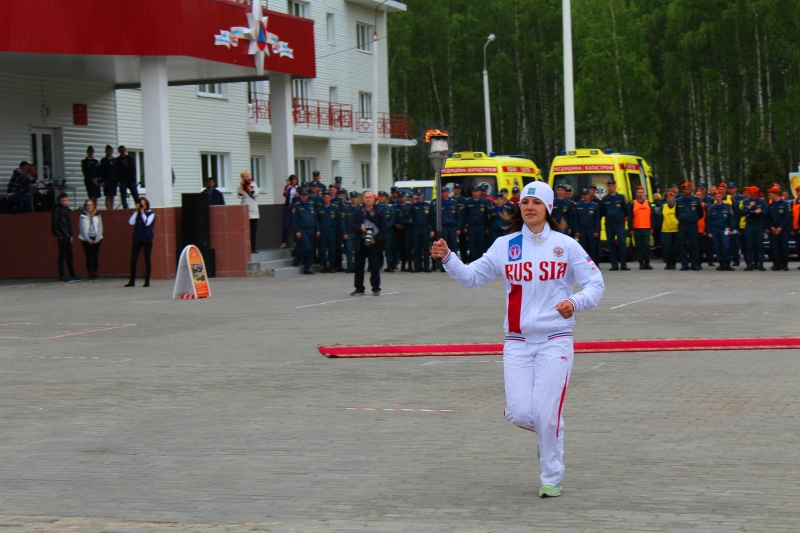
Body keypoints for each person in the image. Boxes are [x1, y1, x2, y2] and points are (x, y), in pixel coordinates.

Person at [430, 182, 604, 498]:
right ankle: (549, 431)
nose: (529, 207)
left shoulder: (566, 246)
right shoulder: (505, 245)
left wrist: (575, 302)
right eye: (525, 202)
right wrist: (448, 258)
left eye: (536, 202)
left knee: (547, 415)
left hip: (555, 338)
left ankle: (551, 477)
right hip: (517, 341)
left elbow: (595, 284)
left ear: (548, 208)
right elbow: (472, 277)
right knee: (521, 413)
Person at [351, 190, 387, 295]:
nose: (368, 199)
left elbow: (384, 229)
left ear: (373, 199)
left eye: (370, 197)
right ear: (363, 199)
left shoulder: (379, 212)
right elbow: (352, 225)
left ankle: (376, 288)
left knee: (375, 266)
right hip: (361, 242)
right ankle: (359, 288)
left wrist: (375, 239)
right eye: (366, 197)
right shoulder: (359, 212)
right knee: (358, 266)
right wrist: (360, 228)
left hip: (374, 243)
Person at [125, 197, 155, 287]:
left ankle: (147, 281)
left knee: (147, 260)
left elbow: (146, 223)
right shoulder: (137, 213)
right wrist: (136, 211)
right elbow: (131, 222)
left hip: (147, 238)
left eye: (144, 204)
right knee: (133, 260)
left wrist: (142, 212)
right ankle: (132, 281)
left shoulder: (151, 213)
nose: (143, 206)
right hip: (137, 238)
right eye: (141, 204)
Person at [600, 179, 630, 271]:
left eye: (612, 185)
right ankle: (614, 265)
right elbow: (603, 212)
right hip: (609, 224)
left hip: (619, 224)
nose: (610, 187)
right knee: (611, 245)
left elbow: (627, 210)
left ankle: (623, 265)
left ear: (615, 186)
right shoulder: (605, 199)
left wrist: (620, 217)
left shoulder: (621, 198)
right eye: (609, 186)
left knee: (622, 243)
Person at [430, 186, 462, 271]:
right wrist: (433, 229)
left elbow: (458, 217)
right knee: (443, 247)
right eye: (442, 192)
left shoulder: (453, 203)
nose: (443, 193)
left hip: (452, 227)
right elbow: (433, 218)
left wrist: (458, 228)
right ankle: (444, 266)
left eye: (444, 192)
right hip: (443, 227)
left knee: (453, 246)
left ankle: (455, 266)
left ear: (448, 192)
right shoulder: (437, 203)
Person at [675, 182, 703, 271]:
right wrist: (682, 219)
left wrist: (694, 219)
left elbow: (700, 213)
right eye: (685, 189)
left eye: (688, 189)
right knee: (682, 245)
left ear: (691, 190)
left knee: (694, 245)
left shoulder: (696, 200)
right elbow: (676, 214)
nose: (686, 191)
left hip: (692, 225)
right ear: (682, 191)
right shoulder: (679, 201)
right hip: (682, 225)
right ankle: (684, 265)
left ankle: (694, 264)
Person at [290, 188, 319, 274]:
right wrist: (297, 231)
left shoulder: (311, 206)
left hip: (311, 229)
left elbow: (315, 219)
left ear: (307, 196)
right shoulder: (296, 206)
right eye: (302, 195)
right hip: (302, 229)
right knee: (306, 247)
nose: (304, 197)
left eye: (305, 195)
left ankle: (307, 268)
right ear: (300, 196)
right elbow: (294, 221)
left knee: (311, 250)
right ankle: (297, 259)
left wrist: (318, 229)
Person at [52, 192, 79, 281]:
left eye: (65, 200)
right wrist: (58, 235)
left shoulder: (66, 209)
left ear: (68, 200)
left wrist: (71, 234)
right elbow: (54, 223)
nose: (64, 202)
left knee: (69, 255)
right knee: (62, 255)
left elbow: (68, 223)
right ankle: (62, 274)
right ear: (59, 200)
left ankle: (72, 274)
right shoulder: (57, 209)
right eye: (62, 200)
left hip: (67, 235)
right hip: (62, 235)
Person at [740, 186, 767, 271]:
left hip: (759, 224)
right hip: (750, 224)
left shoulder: (762, 202)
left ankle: (760, 263)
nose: (753, 196)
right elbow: (742, 213)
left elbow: (767, 212)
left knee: (759, 244)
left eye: (755, 194)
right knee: (749, 245)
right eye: (752, 194)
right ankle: (749, 263)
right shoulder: (746, 202)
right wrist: (749, 207)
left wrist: (761, 211)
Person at [628, 186, 654, 270]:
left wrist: (652, 227)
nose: (640, 194)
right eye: (639, 192)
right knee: (638, 246)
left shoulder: (648, 203)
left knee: (647, 246)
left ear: (644, 193)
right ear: (636, 193)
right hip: (637, 228)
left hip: (646, 228)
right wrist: (631, 229)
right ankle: (641, 264)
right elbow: (630, 217)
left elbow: (652, 216)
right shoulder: (633, 203)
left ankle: (647, 263)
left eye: (642, 192)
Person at [464, 185, 491, 262]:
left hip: (481, 226)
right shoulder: (468, 202)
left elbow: (487, 215)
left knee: (481, 244)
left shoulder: (484, 202)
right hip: (471, 227)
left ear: (479, 192)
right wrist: (465, 226)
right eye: (474, 191)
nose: (475, 193)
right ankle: (473, 260)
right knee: (472, 244)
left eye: (476, 191)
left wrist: (487, 227)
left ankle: (480, 260)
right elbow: (464, 215)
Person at [78, 198, 103, 280]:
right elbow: (82, 229)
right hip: (86, 239)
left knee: (95, 256)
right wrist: (88, 239)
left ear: (93, 206)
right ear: (85, 206)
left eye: (91, 205)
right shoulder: (82, 215)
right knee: (88, 257)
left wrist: (97, 239)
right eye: (87, 205)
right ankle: (90, 274)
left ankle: (95, 273)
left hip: (96, 238)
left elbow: (100, 227)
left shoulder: (97, 215)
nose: (89, 206)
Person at [574, 189, 600, 265]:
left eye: (586, 195)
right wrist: (576, 231)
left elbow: (597, 220)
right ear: (581, 196)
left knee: (592, 249)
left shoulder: (594, 205)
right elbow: (575, 220)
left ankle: (593, 265)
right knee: (583, 249)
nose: (585, 196)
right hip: (582, 231)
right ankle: (584, 265)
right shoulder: (578, 206)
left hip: (591, 230)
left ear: (589, 195)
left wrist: (596, 231)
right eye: (583, 195)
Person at [767, 187, 790, 271]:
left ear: (776, 194)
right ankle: (776, 263)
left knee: (784, 246)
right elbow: (768, 218)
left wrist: (781, 227)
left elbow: (787, 217)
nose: (769, 196)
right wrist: (771, 227)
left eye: (771, 195)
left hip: (783, 229)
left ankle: (784, 264)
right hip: (774, 229)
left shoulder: (785, 204)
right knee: (775, 247)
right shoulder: (770, 205)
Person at [408, 190, 432, 272]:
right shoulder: (413, 206)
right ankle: (417, 266)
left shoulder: (427, 206)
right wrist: (413, 202)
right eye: (417, 195)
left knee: (426, 248)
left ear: (423, 195)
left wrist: (432, 230)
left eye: (420, 195)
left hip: (425, 228)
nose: (419, 196)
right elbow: (409, 216)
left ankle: (426, 267)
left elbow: (431, 219)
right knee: (416, 248)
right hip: (416, 229)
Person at [317, 191, 341, 272]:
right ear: (323, 198)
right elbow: (317, 220)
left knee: (332, 249)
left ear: (330, 198)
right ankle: (324, 265)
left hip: (332, 232)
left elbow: (337, 220)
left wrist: (335, 229)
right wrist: (318, 230)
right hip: (323, 231)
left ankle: (331, 266)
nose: (326, 199)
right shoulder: (319, 208)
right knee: (322, 249)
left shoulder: (334, 208)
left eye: (328, 197)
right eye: (325, 197)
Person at [238, 171, 259, 254]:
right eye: (243, 177)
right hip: (245, 209)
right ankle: (246, 248)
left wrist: (249, 187)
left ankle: (253, 248)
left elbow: (255, 194)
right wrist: (241, 186)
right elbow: (239, 196)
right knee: (246, 230)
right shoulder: (240, 185)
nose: (245, 178)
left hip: (253, 210)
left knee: (253, 231)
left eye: (246, 176)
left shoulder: (253, 184)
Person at [390, 191, 409, 272]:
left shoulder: (408, 207)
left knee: (404, 248)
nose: (401, 198)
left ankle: (403, 265)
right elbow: (392, 218)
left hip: (405, 230)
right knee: (394, 247)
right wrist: (396, 225)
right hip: (396, 230)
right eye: (399, 197)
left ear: (405, 197)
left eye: (402, 197)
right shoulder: (394, 207)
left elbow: (410, 218)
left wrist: (404, 224)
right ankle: (393, 264)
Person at [378, 192, 396, 272]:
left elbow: (392, 219)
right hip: (377, 232)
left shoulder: (389, 208)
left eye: (383, 197)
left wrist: (385, 227)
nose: (381, 198)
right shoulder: (375, 208)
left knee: (388, 248)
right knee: (378, 249)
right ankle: (378, 265)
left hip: (387, 232)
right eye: (380, 196)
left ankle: (389, 265)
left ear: (386, 198)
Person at [342, 191, 359, 273]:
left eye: (355, 197)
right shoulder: (346, 209)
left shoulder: (361, 209)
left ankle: (356, 266)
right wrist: (344, 233)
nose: (354, 199)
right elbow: (343, 222)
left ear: (357, 198)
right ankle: (350, 267)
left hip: (358, 232)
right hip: (349, 232)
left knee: (357, 250)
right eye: (352, 197)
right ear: (350, 198)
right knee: (349, 249)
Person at [661, 191, 679, 269]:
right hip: (666, 230)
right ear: (666, 198)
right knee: (667, 247)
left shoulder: (677, 206)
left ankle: (674, 263)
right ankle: (668, 263)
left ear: (674, 198)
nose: (670, 199)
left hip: (676, 229)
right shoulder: (663, 206)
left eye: (671, 197)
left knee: (675, 248)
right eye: (668, 197)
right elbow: (661, 218)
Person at [281, 175, 299, 249]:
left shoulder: (298, 188)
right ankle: (284, 242)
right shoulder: (288, 187)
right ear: (290, 181)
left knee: (295, 224)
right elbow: (284, 195)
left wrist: (298, 195)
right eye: (293, 179)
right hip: (288, 207)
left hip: (296, 207)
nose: (294, 181)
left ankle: (296, 242)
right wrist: (287, 188)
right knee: (286, 225)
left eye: (295, 179)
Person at [99, 145, 119, 210]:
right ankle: (108, 209)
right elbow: (102, 171)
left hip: (113, 180)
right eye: (108, 151)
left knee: (112, 196)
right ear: (106, 152)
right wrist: (102, 181)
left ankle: (111, 209)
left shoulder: (115, 160)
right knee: (108, 196)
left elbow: (117, 171)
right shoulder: (103, 160)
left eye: (111, 151)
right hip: (107, 180)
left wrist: (118, 180)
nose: (110, 152)